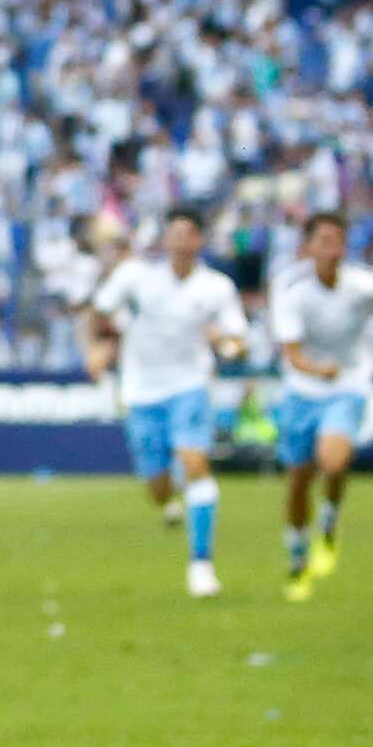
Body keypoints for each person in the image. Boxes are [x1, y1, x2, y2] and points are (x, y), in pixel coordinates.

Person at [84, 209, 248, 598]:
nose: (178, 241)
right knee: (156, 485)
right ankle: (170, 495)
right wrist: (99, 347)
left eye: (186, 234)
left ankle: (201, 564)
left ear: (198, 242)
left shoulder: (216, 287)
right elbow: (100, 313)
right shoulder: (136, 278)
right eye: (172, 234)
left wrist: (228, 345)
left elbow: (237, 335)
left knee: (195, 463)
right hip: (142, 389)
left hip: (189, 384)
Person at [265, 210, 373, 600]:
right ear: (308, 247)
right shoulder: (291, 289)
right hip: (303, 388)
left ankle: (330, 519)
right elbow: (291, 352)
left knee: (335, 460)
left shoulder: (364, 284)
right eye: (324, 242)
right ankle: (297, 551)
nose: (333, 250)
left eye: (338, 242)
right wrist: (314, 368)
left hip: (348, 380)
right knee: (298, 478)